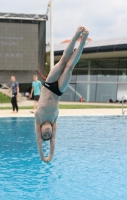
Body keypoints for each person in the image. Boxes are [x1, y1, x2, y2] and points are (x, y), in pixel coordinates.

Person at [35, 26, 89, 162]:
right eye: (49, 134)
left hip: (48, 85)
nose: (48, 133)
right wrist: (52, 155)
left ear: (40, 131)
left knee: (64, 60)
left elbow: (40, 143)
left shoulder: (38, 120)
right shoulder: (54, 122)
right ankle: (82, 43)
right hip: (58, 90)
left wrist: (45, 157)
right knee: (69, 67)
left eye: (44, 135)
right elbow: (53, 140)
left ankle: (76, 36)